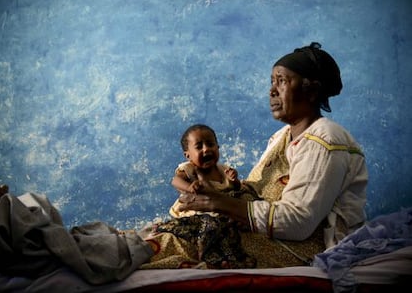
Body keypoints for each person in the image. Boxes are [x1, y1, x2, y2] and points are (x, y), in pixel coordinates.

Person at [140, 42, 368, 269]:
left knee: (195, 240)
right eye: (272, 81)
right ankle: (120, 251)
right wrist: (216, 196)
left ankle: (119, 257)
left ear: (312, 90)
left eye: (282, 81)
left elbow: (298, 222)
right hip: (264, 231)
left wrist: (219, 202)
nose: (272, 90)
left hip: (303, 245)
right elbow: (256, 192)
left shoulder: (326, 140)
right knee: (176, 231)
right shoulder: (282, 136)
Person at [152, 124, 259, 268]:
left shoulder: (222, 169)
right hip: (197, 211)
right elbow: (175, 181)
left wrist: (234, 181)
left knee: (241, 204)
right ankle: (210, 257)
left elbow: (233, 188)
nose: (206, 149)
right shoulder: (189, 169)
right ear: (187, 155)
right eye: (199, 146)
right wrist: (189, 187)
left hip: (220, 209)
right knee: (210, 227)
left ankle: (231, 256)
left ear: (218, 147)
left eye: (210, 144)